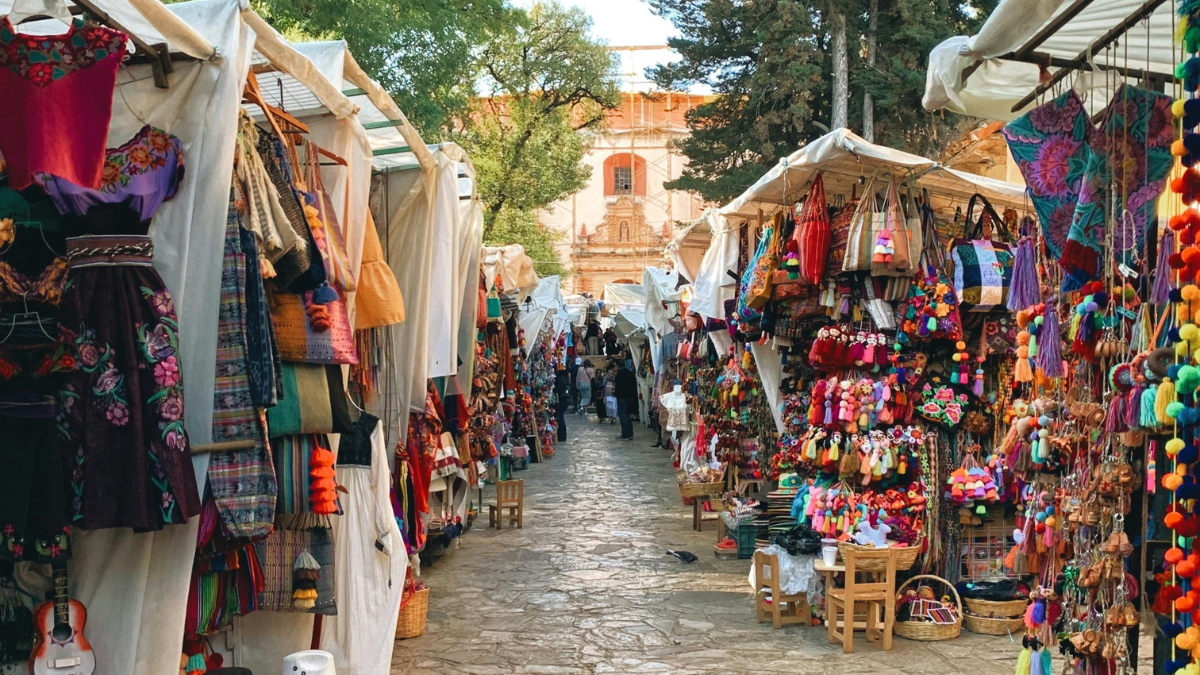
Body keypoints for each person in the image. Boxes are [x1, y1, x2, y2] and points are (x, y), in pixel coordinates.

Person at [614, 360, 637, 440]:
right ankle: (630, 433)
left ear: (618, 366)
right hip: (630, 397)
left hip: (622, 397)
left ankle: (625, 434)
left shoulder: (618, 375)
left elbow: (617, 387)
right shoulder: (630, 374)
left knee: (623, 416)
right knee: (628, 415)